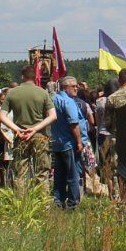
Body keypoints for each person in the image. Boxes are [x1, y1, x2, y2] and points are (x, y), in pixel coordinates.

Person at [1, 72, 54, 189]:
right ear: (34, 77)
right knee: (42, 171)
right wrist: (35, 129)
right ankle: (42, 198)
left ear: (22, 76)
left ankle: (22, 199)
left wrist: (17, 129)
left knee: (20, 172)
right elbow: (53, 116)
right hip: (40, 136)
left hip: (21, 136)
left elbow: (2, 116)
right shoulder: (43, 92)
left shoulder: (12, 93)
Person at [49, 74, 91, 209]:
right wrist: (79, 142)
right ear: (65, 87)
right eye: (73, 86)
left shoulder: (54, 99)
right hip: (69, 143)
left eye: (76, 86)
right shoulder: (68, 101)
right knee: (73, 175)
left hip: (57, 143)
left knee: (59, 175)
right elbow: (74, 124)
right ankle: (73, 204)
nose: (76, 88)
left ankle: (58, 202)